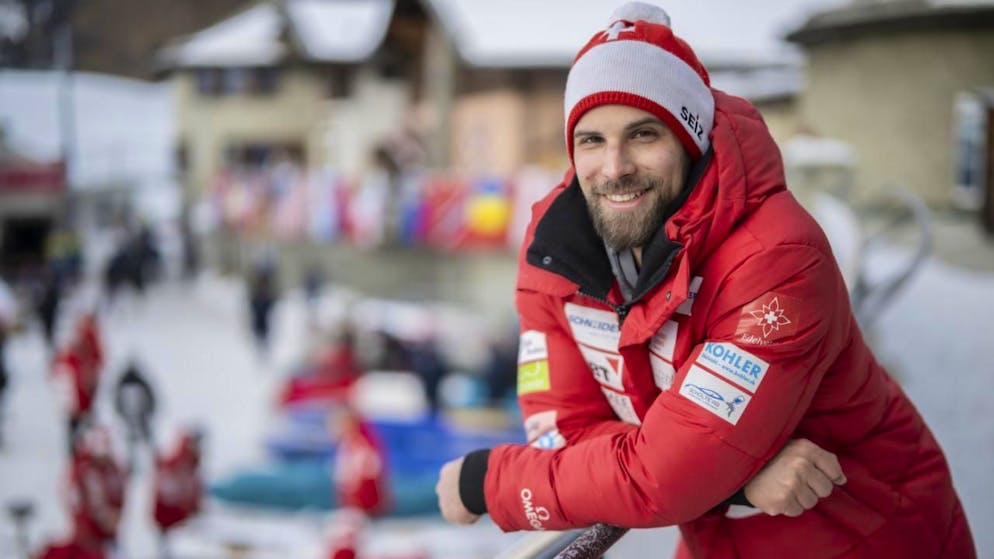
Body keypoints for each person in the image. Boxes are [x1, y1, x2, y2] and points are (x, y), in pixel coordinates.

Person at [435, 4, 975, 558]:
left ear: (690, 140)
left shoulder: (778, 259)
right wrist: (728, 479)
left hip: (867, 535)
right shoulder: (554, 255)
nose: (614, 166)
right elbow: (568, 439)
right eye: (592, 139)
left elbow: (663, 479)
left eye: (643, 135)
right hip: (725, 536)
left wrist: (488, 481)